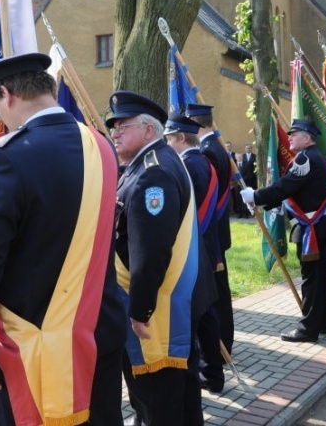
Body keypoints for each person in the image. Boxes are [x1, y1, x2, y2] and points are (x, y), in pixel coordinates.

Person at [0, 53, 126, 426]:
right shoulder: (101, 146)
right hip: (99, 328)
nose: (0, 118)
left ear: (6, 94)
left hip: (33, 343)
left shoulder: (4, 157)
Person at [109, 92, 201, 425]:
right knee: (177, 400)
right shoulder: (151, 163)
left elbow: (150, 252)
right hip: (164, 307)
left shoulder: (153, 174)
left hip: (156, 314)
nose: (115, 133)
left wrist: (140, 310)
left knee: (157, 401)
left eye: (123, 126)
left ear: (149, 130)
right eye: (113, 127)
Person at [241, 118, 326, 342]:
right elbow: (294, 191)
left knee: (311, 279)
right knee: (322, 277)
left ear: (307, 137)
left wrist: (255, 196)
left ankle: (308, 329)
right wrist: (261, 202)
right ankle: (322, 321)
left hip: (311, 229)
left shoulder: (305, 159)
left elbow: (285, 187)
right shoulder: (317, 158)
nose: (290, 137)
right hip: (321, 226)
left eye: (294, 134)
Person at [163, 111, 225, 394]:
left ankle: (207, 372)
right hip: (205, 245)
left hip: (192, 249)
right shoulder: (202, 160)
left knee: (198, 314)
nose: (166, 144)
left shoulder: (187, 165)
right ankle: (212, 371)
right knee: (206, 312)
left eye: (168, 138)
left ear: (180, 138)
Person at [187, 103, 235, 356]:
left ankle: (220, 344)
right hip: (215, 230)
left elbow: (206, 195)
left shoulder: (208, 151)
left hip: (209, 231)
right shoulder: (215, 146)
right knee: (219, 291)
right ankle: (222, 342)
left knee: (215, 295)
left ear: (195, 124)